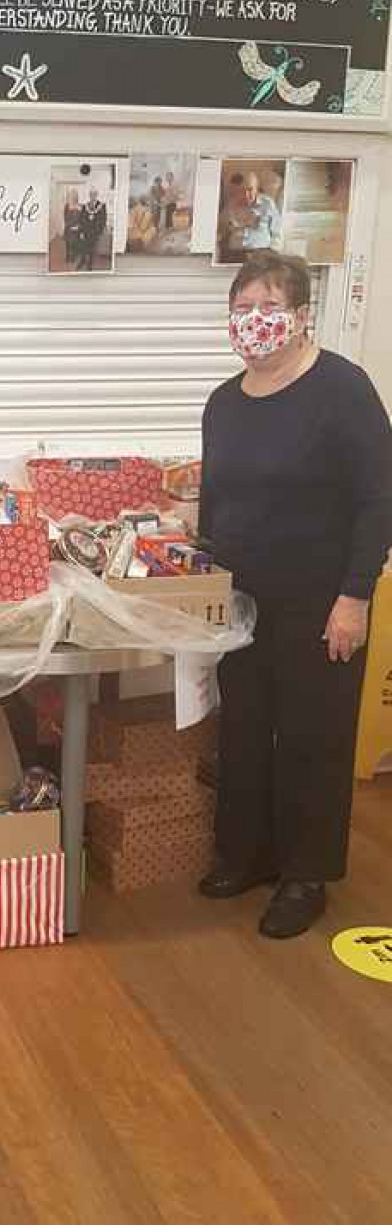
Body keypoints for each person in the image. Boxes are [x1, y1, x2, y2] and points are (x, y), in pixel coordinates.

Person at [199, 251, 392, 938]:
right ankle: (247, 854)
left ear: (303, 317)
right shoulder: (224, 403)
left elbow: (378, 500)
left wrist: (355, 595)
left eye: (269, 308)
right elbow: (213, 502)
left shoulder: (343, 391)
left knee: (313, 735)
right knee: (246, 726)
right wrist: (202, 586)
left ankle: (306, 874)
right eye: (242, 308)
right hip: (242, 599)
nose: (254, 322)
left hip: (321, 598)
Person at [238, 172, 281, 251]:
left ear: (257, 189)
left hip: (261, 253)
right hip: (237, 252)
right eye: (243, 190)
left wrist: (272, 253)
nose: (246, 194)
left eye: (250, 189)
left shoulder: (268, 203)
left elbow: (277, 232)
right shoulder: (233, 204)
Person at [77, 188, 108, 271]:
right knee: (83, 247)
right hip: (86, 231)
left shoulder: (102, 206)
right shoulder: (85, 206)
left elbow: (103, 219)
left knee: (92, 248)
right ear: (89, 195)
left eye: (94, 194)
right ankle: (82, 261)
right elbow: (81, 219)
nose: (92, 196)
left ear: (96, 195)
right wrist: (81, 231)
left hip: (95, 232)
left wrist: (99, 231)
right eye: (91, 194)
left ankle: (90, 264)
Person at [63, 189, 81, 269]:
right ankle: (67, 257)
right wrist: (69, 226)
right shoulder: (67, 206)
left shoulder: (79, 206)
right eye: (72, 195)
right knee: (68, 243)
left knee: (74, 243)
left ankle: (73, 257)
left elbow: (81, 218)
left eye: (74, 195)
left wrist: (77, 226)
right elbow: (65, 218)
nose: (73, 197)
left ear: (76, 197)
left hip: (76, 228)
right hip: (68, 228)